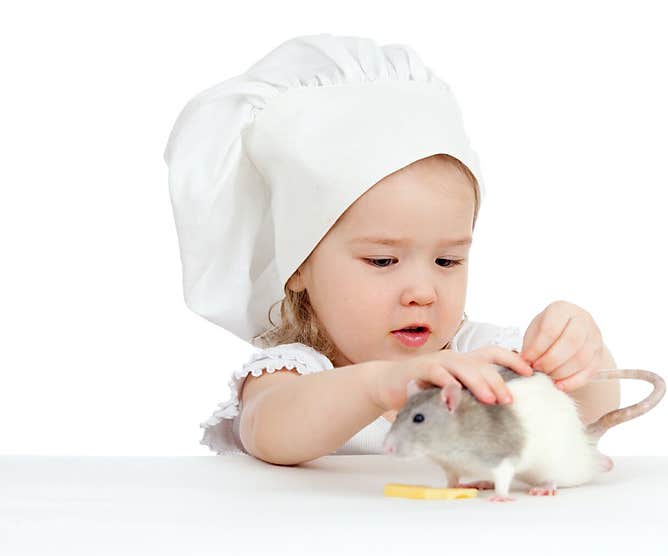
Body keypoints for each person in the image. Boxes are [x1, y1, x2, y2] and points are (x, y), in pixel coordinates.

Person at [164, 34, 620, 464]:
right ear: (299, 265)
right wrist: (379, 387)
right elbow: (271, 431)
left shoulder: (476, 355)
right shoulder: (296, 374)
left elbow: (591, 408)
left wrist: (581, 351)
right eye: (383, 260)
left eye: (448, 260)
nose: (423, 291)